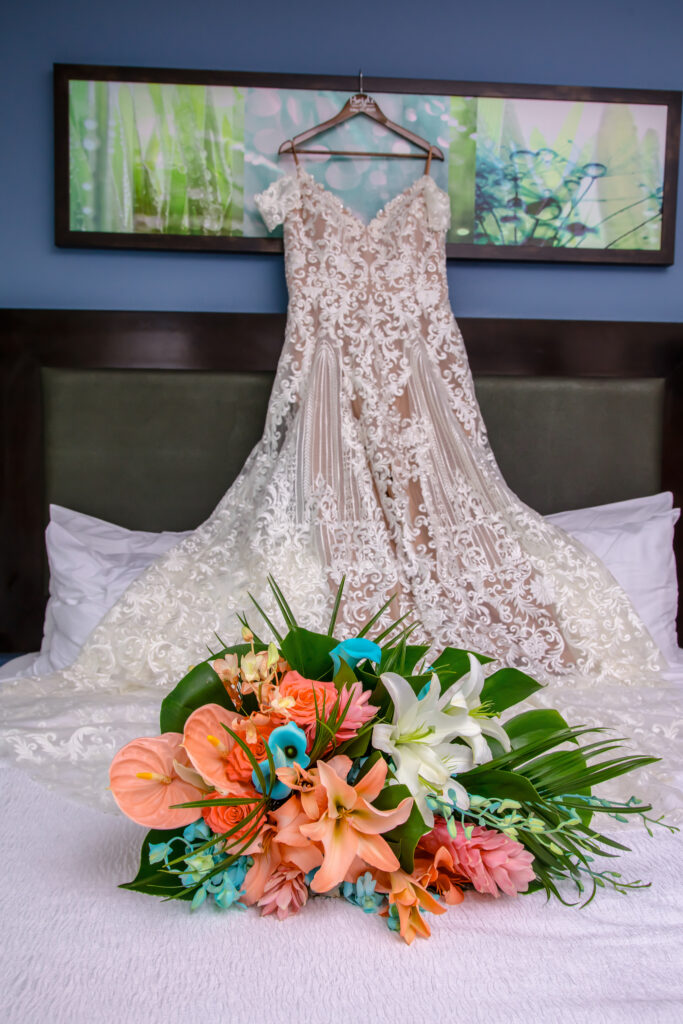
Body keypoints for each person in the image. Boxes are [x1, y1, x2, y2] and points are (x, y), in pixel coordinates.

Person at [0, 157, 680, 818]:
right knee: (301, 550)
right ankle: (334, 695)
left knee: (462, 554)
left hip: (419, 415)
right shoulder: (307, 197)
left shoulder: (421, 201)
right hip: (322, 408)